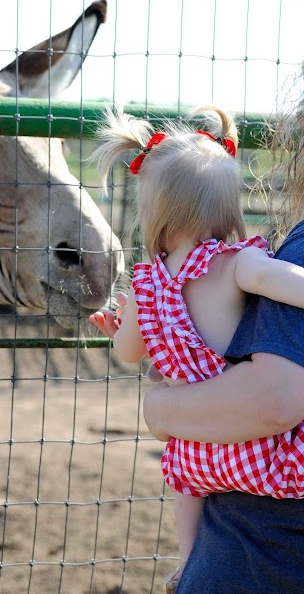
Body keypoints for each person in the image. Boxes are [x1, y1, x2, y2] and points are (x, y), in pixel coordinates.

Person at [89, 105, 304, 593]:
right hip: (253, 443)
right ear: (225, 208)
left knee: (186, 489)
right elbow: (284, 283)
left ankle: (187, 562)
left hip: (197, 443)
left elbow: (127, 351)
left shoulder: (147, 287)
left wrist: (119, 328)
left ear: (153, 214)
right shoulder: (235, 265)